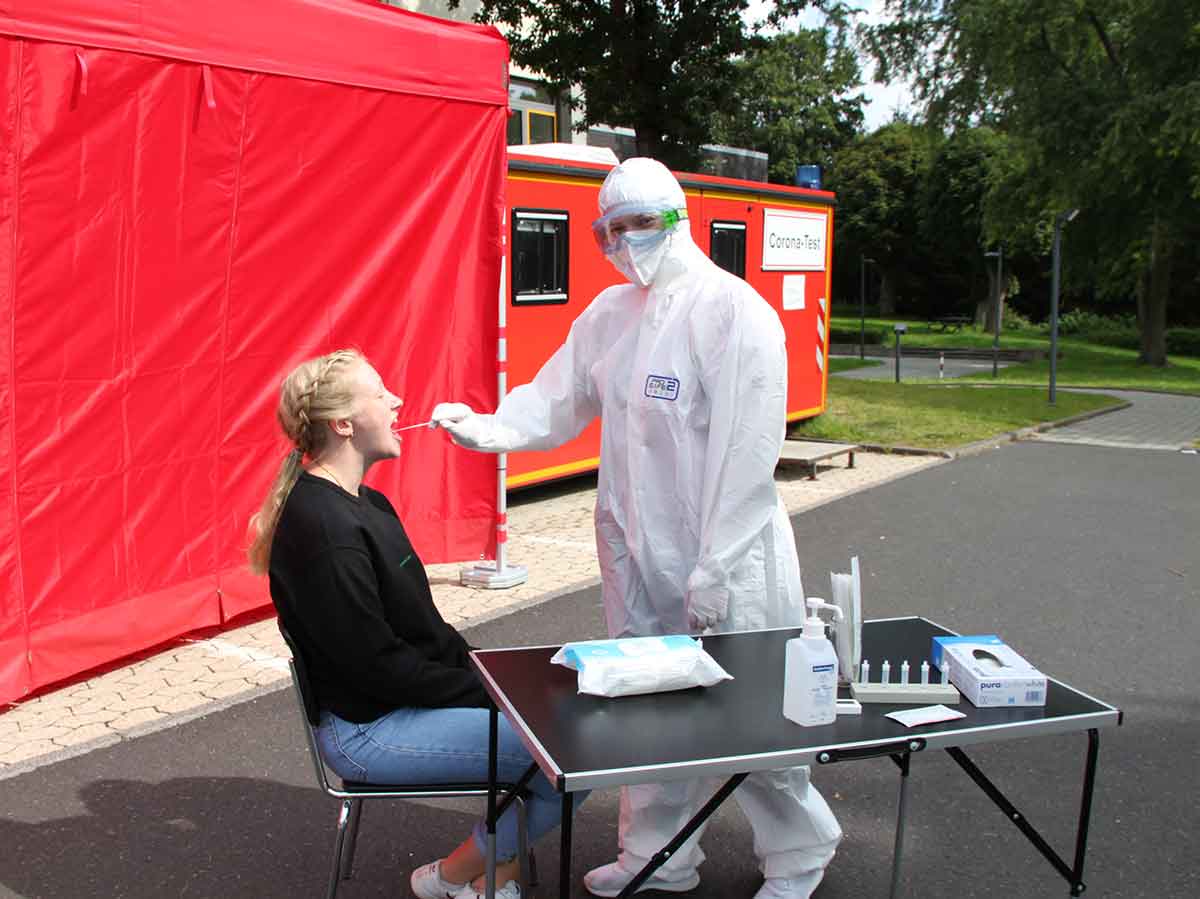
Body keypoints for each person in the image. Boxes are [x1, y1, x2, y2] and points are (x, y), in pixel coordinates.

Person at [431, 158, 843, 899]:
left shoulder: (735, 313)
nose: (623, 241)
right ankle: (658, 854)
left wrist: (717, 565)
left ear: (678, 217)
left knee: (751, 711)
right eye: (608, 230)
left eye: (637, 223)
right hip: (637, 552)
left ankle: (798, 854)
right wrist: (485, 427)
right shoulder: (609, 318)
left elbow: (751, 455)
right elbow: (554, 399)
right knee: (642, 704)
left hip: (730, 558)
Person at [249, 348, 579, 899]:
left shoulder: (368, 505)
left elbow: (426, 630)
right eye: (380, 393)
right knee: (568, 747)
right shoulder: (326, 531)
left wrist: (496, 678)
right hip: (368, 730)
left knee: (560, 718)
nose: (397, 400)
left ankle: (479, 879)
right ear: (345, 424)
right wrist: (489, 693)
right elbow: (378, 669)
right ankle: (453, 879)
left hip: (395, 703)